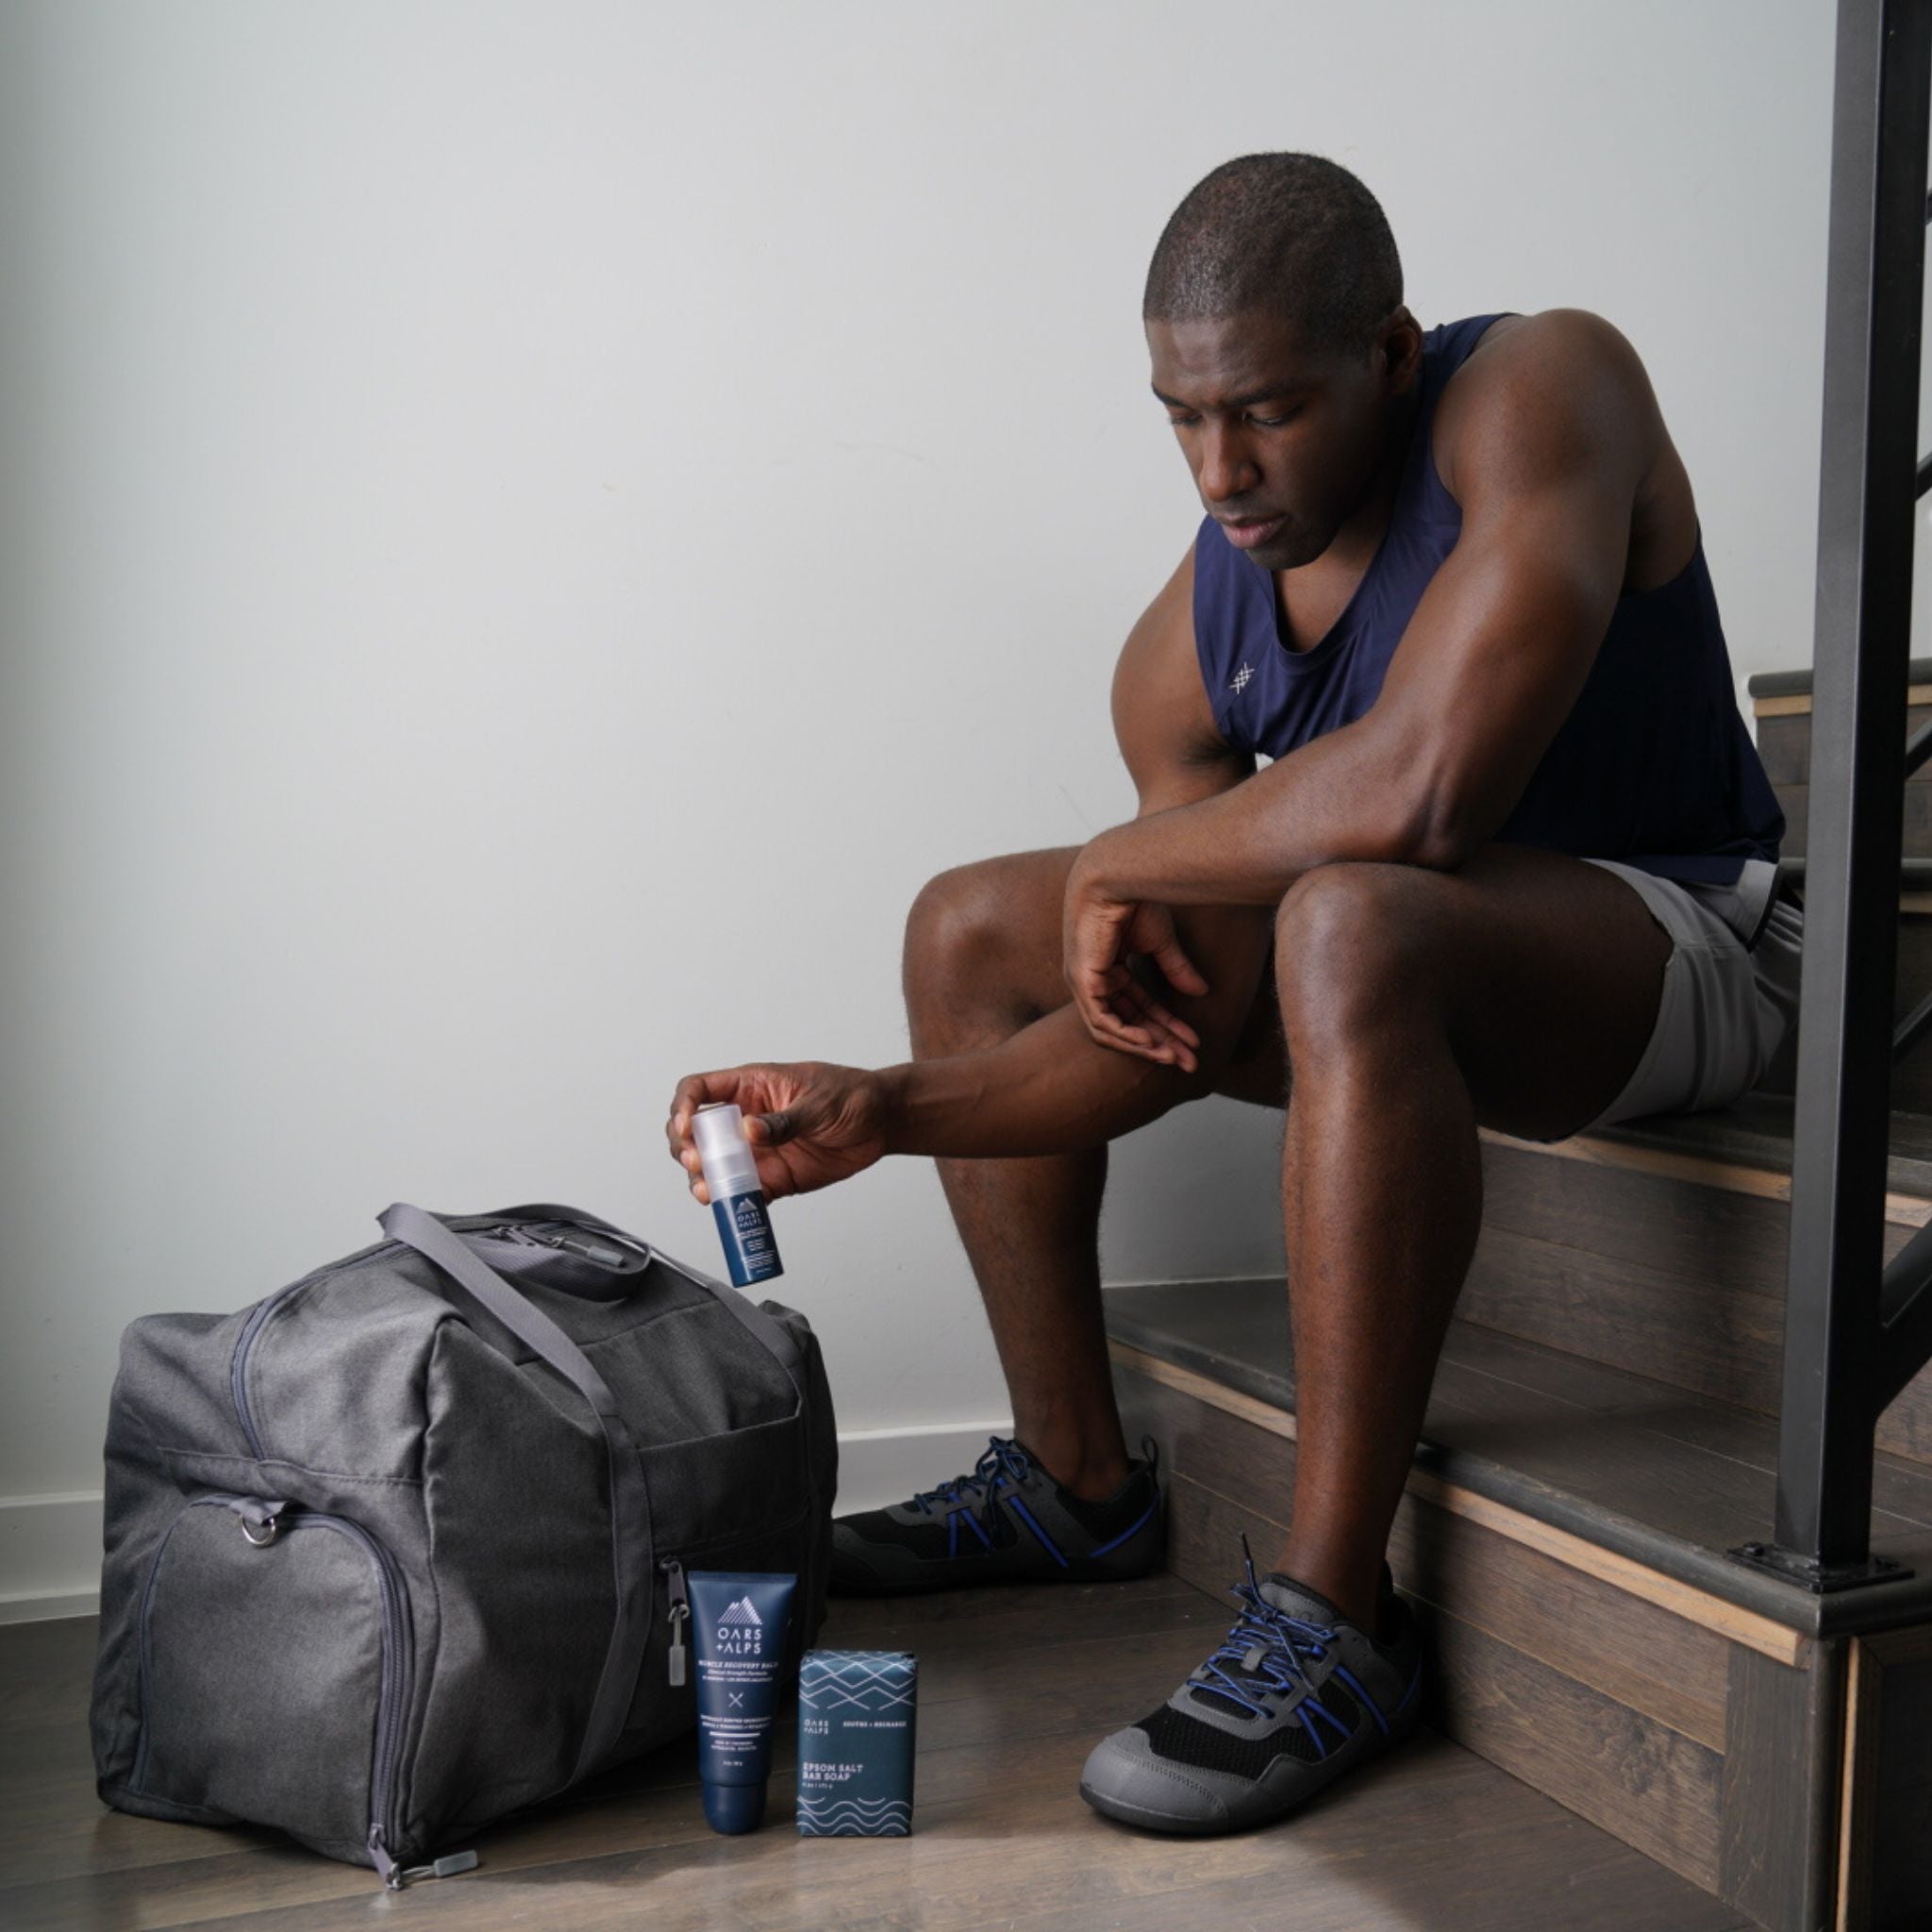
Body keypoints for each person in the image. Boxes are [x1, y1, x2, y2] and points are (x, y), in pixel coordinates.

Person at [663, 152, 1801, 1836]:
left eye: (1265, 411)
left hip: (1690, 938)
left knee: (1350, 919)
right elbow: (1170, 1026)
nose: (1219, 471)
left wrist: (1139, 859)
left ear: (1390, 355)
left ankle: (1339, 1616)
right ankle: (1076, 1482)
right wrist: (890, 1110)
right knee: (971, 925)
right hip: (1431, 961)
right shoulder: (1192, 636)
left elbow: (1428, 792)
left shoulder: (1542, 387)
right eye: (1183, 419)